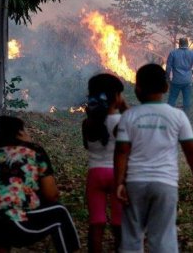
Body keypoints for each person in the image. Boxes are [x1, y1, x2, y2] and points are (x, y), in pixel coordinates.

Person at [0, 116, 80, 253]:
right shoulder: (34, 151)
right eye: (26, 130)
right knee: (59, 212)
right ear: (19, 133)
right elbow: (51, 195)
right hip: (10, 222)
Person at [114, 63, 193, 253]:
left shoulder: (129, 116)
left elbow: (121, 152)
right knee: (163, 236)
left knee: (131, 236)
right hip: (165, 184)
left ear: (137, 88)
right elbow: (191, 150)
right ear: (166, 87)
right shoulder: (177, 116)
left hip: (135, 183)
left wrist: (119, 182)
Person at [82, 73, 128, 253]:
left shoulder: (87, 123)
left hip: (95, 174)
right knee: (118, 222)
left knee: (96, 222)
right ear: (116, 97)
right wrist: (125, 109)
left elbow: (87, 145)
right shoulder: (121, 121)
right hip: (118, 174)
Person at [166, 37, 193, 114]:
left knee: (172, 98)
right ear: (187, 44)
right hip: (187, 81)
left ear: (179, 44)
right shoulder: (192, 53)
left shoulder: (173, 53)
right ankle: (186, 116)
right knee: (187, 99)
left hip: (176, 80)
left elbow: (168, 67)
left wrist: (167, 78)